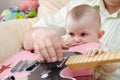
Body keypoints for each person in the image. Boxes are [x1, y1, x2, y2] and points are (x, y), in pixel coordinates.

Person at [24, 0, 120, 80]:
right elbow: (33, 36)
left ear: (99, 35)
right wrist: (43, 41)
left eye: (83, 35)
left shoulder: (99, 49)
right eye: (71, 34)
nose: (77, 39)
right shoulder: (66, 42)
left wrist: (101, 59)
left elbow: (112, 68)